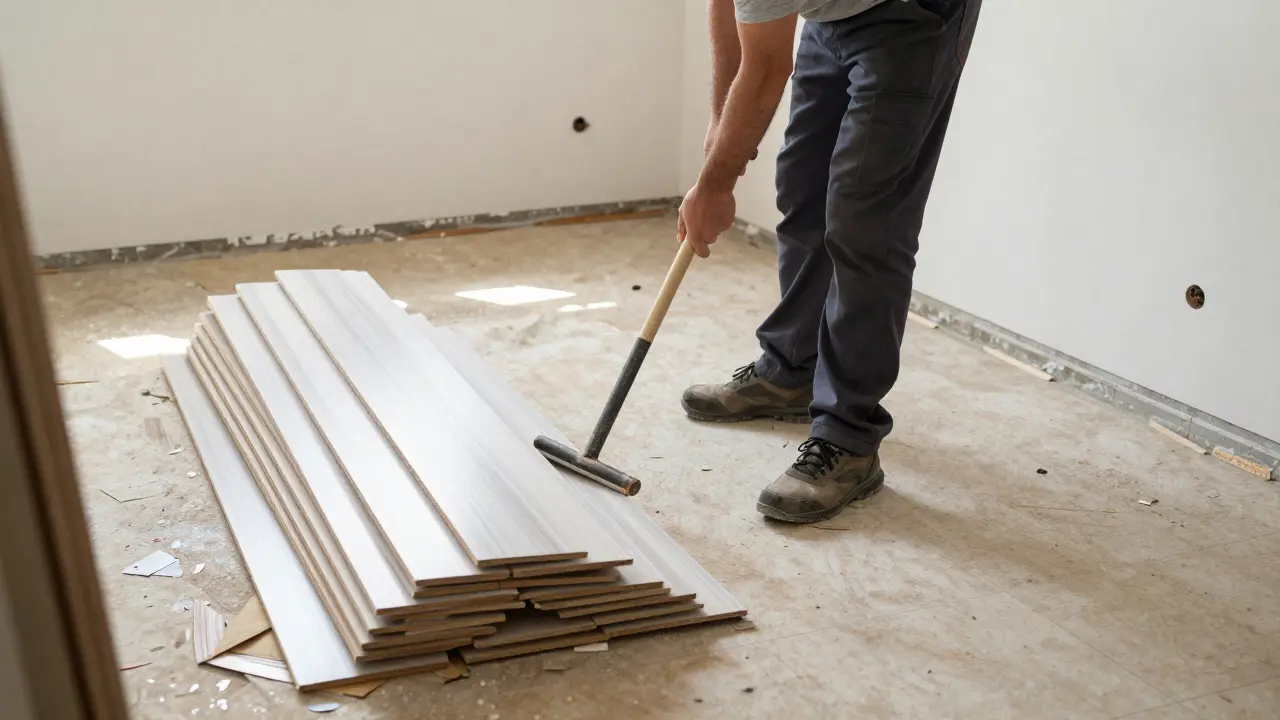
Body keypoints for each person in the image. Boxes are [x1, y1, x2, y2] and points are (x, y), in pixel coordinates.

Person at [677, 0, 981, 523]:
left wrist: (715, 185)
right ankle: (791, 370)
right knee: (803, 187)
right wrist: (719, 118)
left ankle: (849, 439)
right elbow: (728, 6)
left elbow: (768, 65)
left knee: (864, 223)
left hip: (915, 15)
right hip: (834, 14)